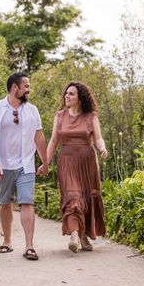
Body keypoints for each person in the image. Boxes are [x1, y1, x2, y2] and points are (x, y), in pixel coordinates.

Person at [0, 72, 48, 261]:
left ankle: (29, 246)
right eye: (26, 86)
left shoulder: (32, 110)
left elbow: (39, 137)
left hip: (26, 164)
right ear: (15, 87)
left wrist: (45, 162)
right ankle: (7, 241)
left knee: (27, 201)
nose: (29, 89)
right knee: (5, 203)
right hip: (2, 165)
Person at [45, 82, 107, 253]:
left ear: (80, 97)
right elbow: (53, 141)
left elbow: (98, 138)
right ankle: (74, 235)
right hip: (67, 162)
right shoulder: (59, 116)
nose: (67, 96)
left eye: (71, 94)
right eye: (66, 93)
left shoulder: (91, 116)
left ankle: (84, 235)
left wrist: (103, 148)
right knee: (73, 199)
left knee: (86, 198)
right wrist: (45, 162)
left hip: (87, 162)